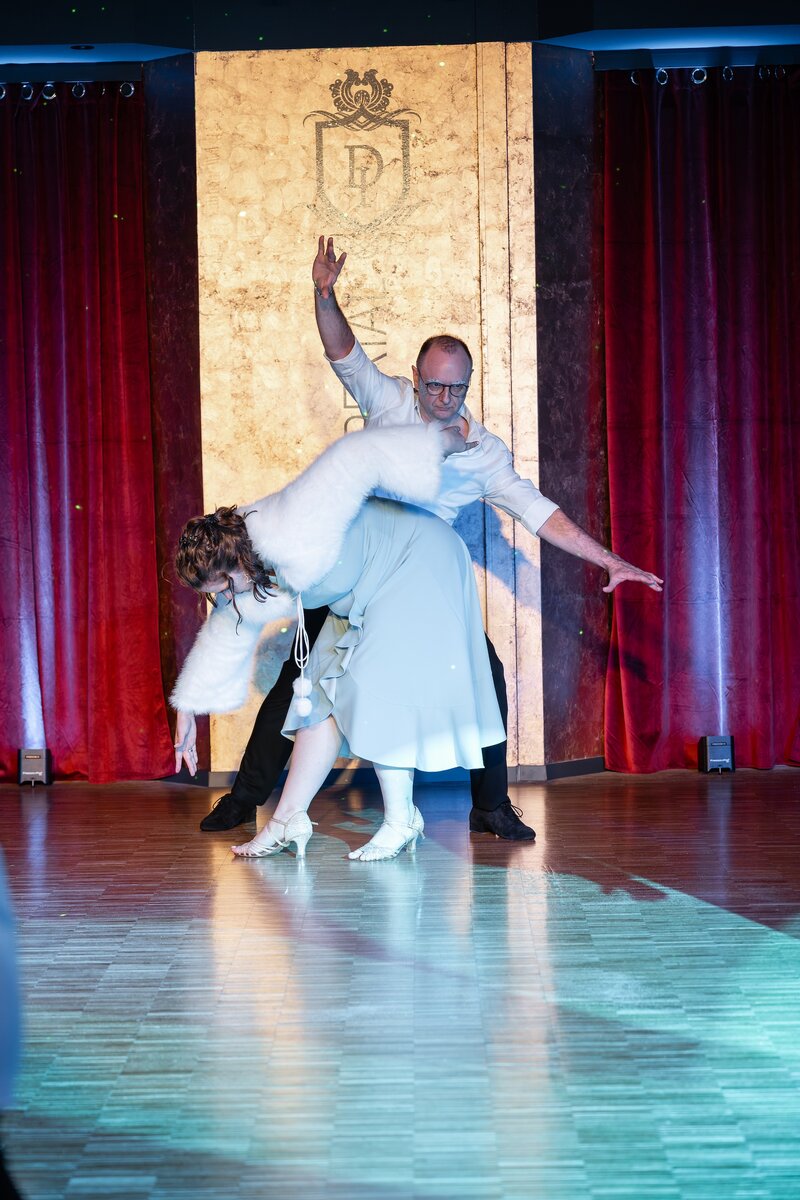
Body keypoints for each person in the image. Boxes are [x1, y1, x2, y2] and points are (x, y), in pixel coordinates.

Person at [196, 238, 662, 840]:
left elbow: (539, 513)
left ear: (468, 386)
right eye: (435, 386)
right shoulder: (388, 400)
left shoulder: (484, 452)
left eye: (456, 389)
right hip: (351, 570)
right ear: (416, 378)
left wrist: (609, 559)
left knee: (484, 674)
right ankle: (245, 799)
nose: (444, 399)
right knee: (299, 675)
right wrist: (324, 295)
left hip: (416, 584)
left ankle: (490, 806)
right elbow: (343, 353)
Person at [172, 423, 506, 861]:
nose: (227, 599)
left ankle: (401, 819)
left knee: (374, 682)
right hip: (363, 591)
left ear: (235, 559)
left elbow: (356, 454)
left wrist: (445, 443)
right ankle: (286, 820)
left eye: (226, 587)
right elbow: (224, 631)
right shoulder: (243, 576)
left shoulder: (287, 518)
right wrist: (186, 711)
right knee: (316, 697)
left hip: (415, 559)